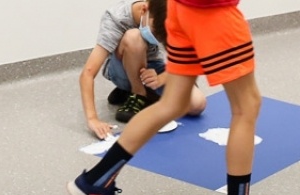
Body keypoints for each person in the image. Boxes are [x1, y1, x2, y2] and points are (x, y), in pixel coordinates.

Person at [68, 0, 288, 195]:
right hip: (212, 12)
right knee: (246, 107)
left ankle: (96, 181)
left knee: (173, 104)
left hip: (181, 9)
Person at [80, 0, 207, 138]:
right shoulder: (116, 18)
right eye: (156, 32)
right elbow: (88, 73)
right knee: (134, 36)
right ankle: (137, 92)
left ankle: (139, 93)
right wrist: (92, 119)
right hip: (121, 68)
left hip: (153, 66)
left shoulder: (174, 16)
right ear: (144, 10)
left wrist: (161, 79)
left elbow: (187, 62)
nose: (159, 39)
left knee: (197, 104)